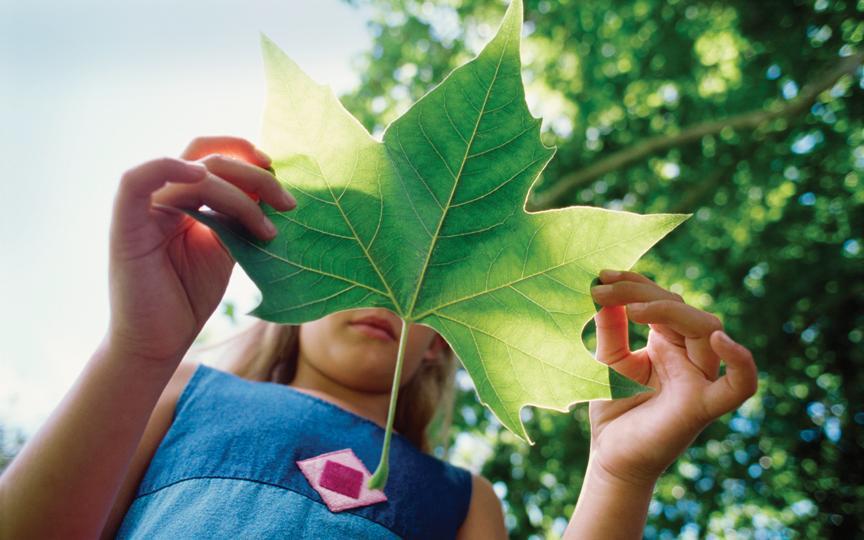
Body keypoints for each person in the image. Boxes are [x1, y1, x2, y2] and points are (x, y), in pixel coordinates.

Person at [0, 135, 758, 539]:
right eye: (369, 276)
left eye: (422, 304)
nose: (396, 302)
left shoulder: (463, 500)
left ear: (442, 346)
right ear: (300, 291)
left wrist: (619, 479)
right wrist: (137, 348)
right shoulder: (182, 388)